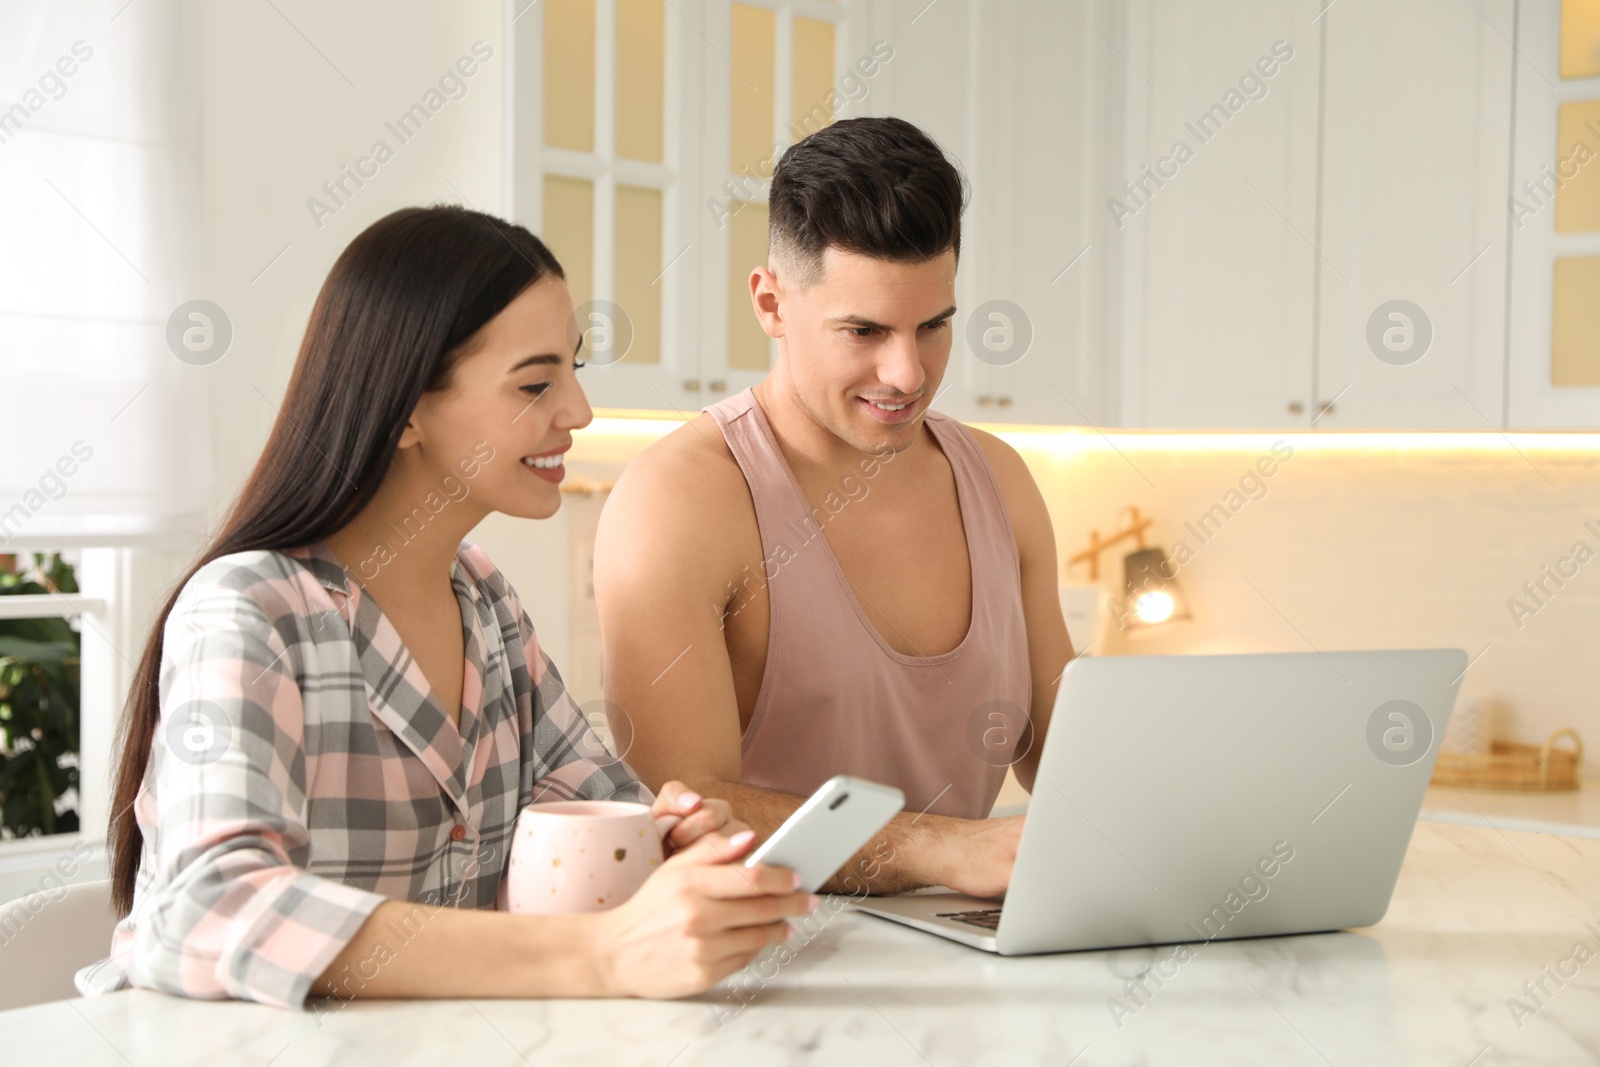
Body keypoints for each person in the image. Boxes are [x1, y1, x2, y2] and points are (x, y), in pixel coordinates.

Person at [78, 206, 811, 1011]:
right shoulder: (250, 611)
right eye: (535, 382)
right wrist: (597, 953)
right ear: (406, 410)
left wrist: (665, 840)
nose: (578, 410)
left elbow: (596, 803)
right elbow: (207, 908)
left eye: (574, 367)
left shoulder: (486, 602)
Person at [593, 117, 1073, 898]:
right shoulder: (678, 502)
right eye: (864, 330)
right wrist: (941, 849)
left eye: (934, 326)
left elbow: (1062, 752)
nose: (907, 372)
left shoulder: (1000, 478)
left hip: (974, 959)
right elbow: (687, 809)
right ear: (771, 302)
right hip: (761, 967)